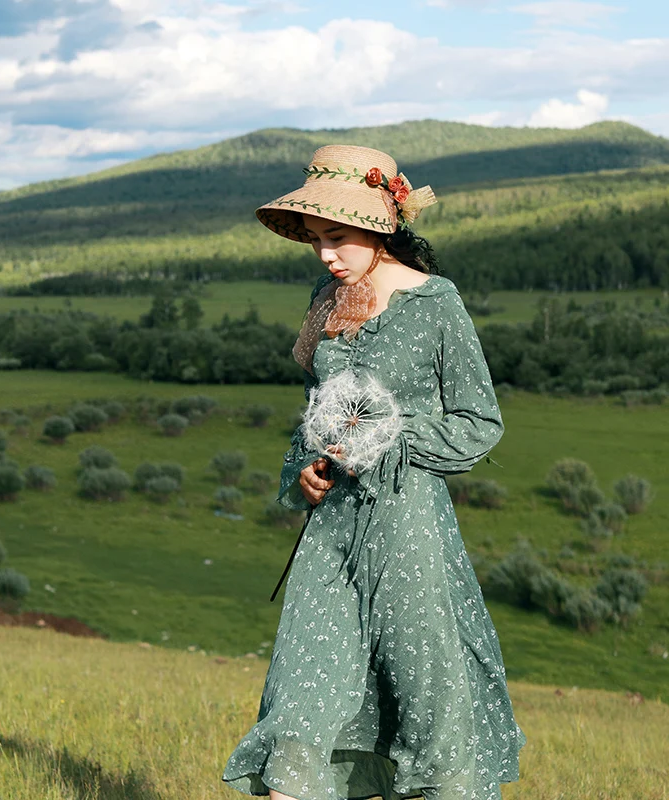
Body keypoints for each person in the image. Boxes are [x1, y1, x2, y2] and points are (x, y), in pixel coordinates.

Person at [221, 145, 527, 800]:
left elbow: (479, 424)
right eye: (314, 241)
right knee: (299, 707)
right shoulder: (324, 300)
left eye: (336, 238)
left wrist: (389, 434)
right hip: (329, 536)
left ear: (380, 225)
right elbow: (315, 412)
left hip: (408, 531)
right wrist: (302, 468)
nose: (325, 255)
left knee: (424, 707)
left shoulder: (437, 303)